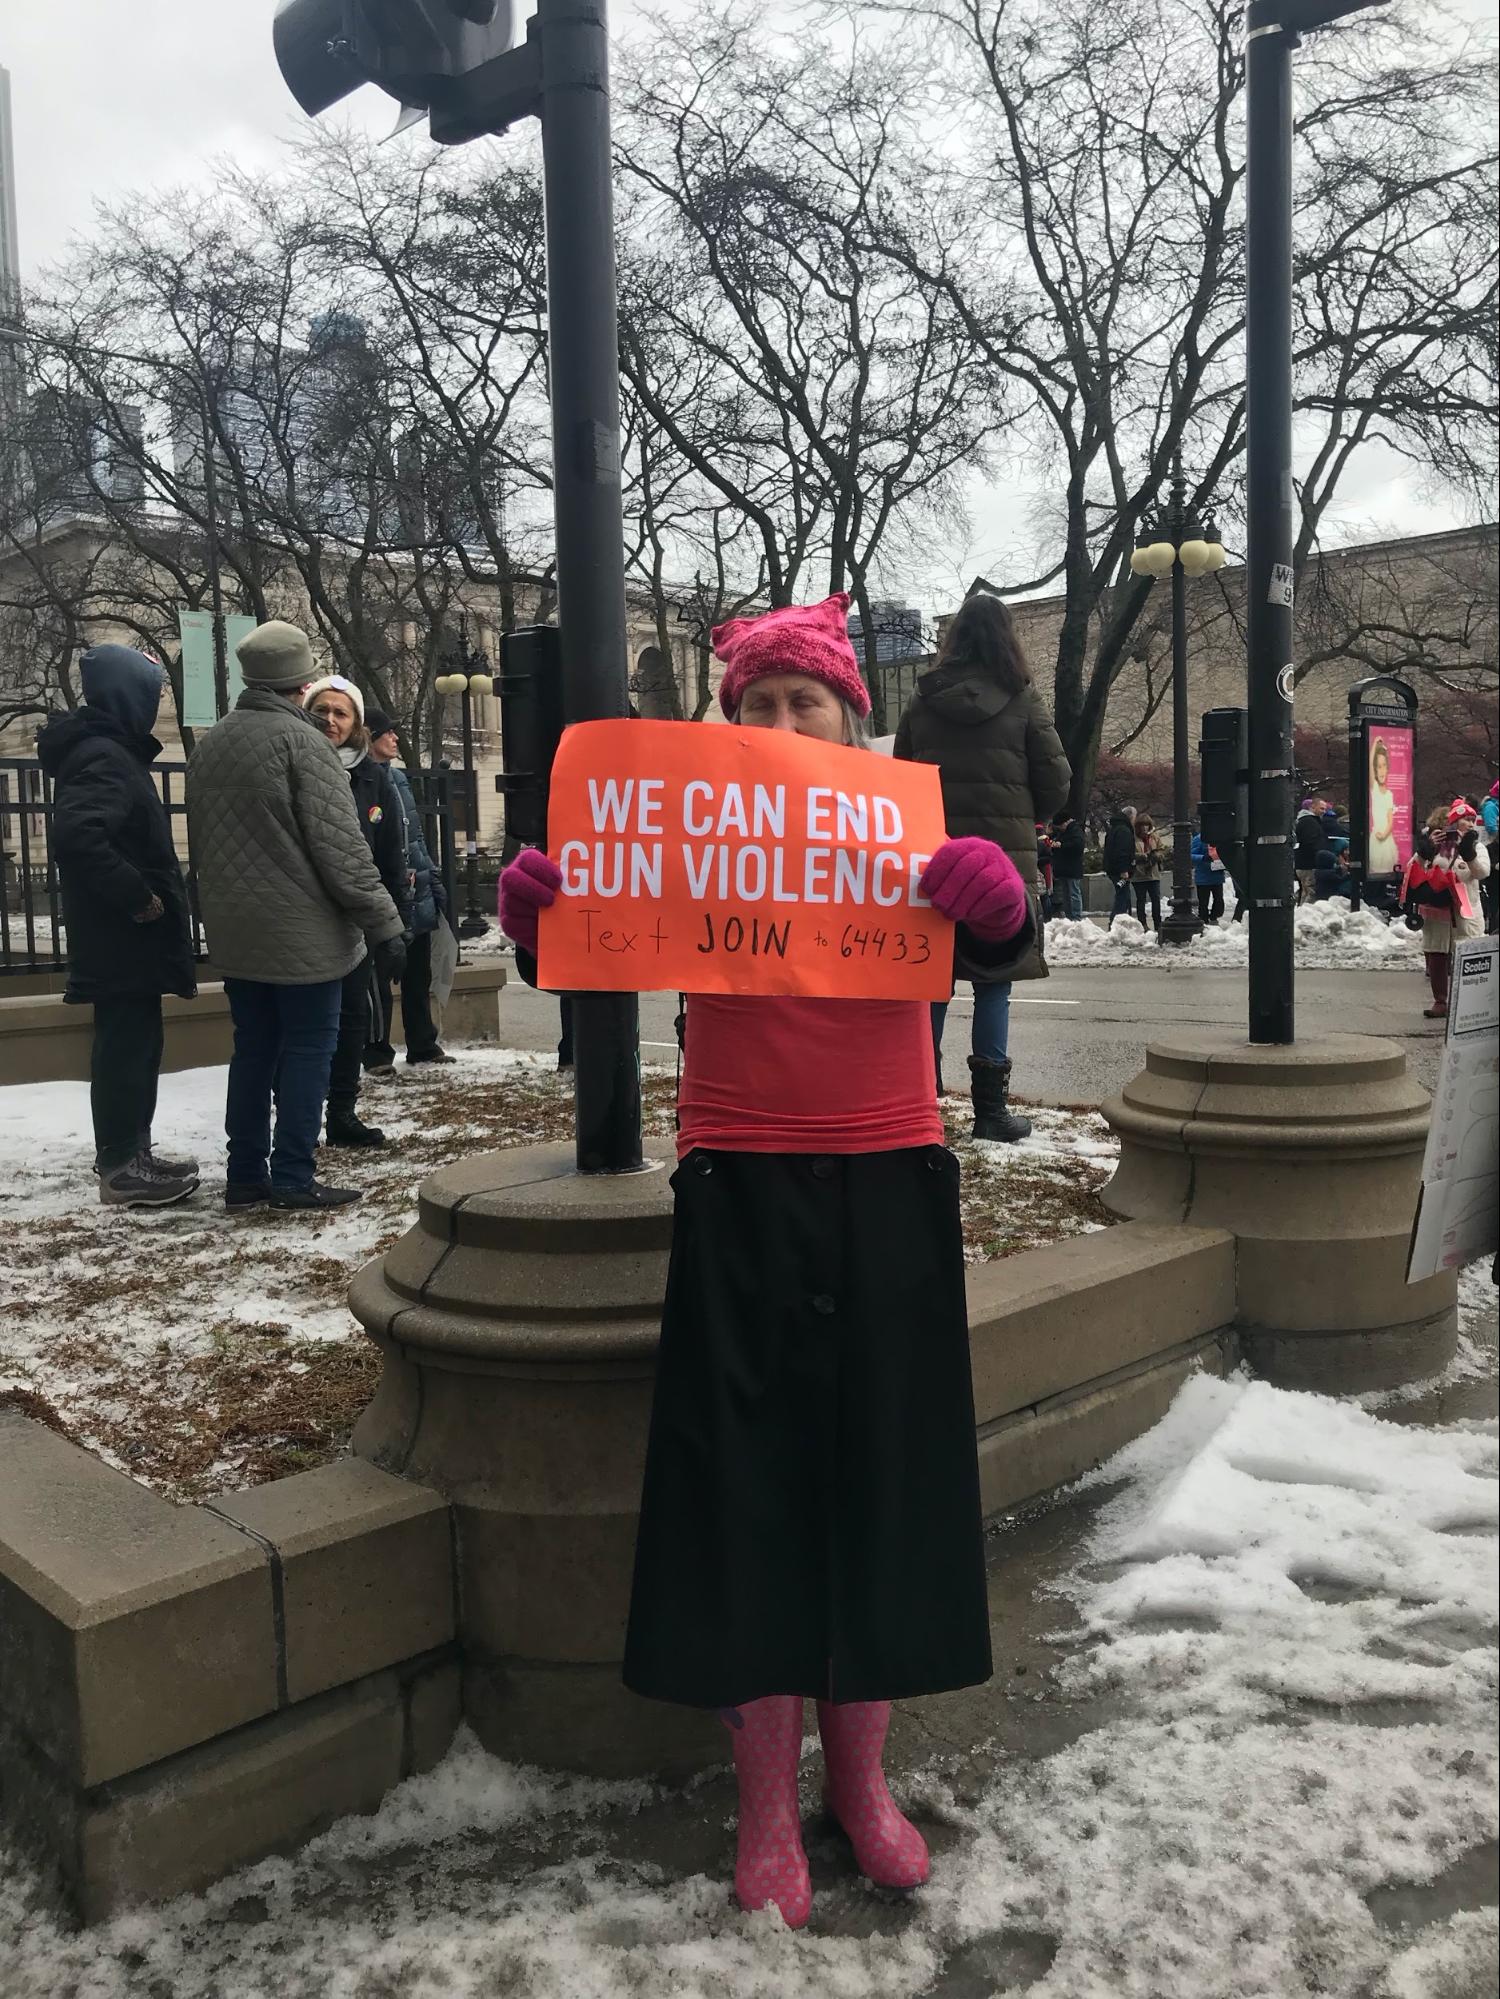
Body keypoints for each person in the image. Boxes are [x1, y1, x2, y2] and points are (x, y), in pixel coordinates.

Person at [497, 591, 1034, 1929]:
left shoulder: (903, 832)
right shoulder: (696, 834)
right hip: (741, 1172)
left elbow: (1003, 941)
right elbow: (592, 948)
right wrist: (536, 917)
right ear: (728, 724)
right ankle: (761, 1803)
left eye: (807, 702)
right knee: (755, 1487)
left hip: (891, 1166)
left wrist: (997, 901)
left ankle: (861, 1781)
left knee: (880, 1479)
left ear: (850, 718)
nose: (783, 723)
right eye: (759, 704)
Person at [186, 622, 404, 1210]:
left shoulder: (213, 744)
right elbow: (343, 851)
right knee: (310, 1049)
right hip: (304, 934)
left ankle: (245, 1178)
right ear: (302, 683)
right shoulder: (304, 744)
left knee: (253, 1049)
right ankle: (292, 1178)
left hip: (237, 932)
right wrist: (386, 923)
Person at [893, 591, 1070, 1142]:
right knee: (995, 987)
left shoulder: (922, 703)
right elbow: (1057, 783)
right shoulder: (1022, 700)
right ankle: (991, 1113)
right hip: (1004, 870)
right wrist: (1024, 815)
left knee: (931, 986)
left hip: (934, 865)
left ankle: (922, 1106)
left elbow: (897, 784)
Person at [38, 644, 199, 1208]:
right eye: (151, 695)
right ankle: (122, 1166)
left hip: (126, 941)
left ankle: (134, 1153)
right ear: (127, 697)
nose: (155, 707)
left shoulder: (110, 752)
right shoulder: (104, 755)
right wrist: (139, 898)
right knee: (126, 1050)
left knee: (136, 1045)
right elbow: (78, 837)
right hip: (122, 938)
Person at [302, 678, 413, 1146]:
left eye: (341, 713)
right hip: (306, 917)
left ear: (356, 723)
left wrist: (395, 926)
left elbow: (392, 856)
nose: (330, 719)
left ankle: (342, 1111)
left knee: (352, 1018)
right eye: (321, 710)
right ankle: (300, 1113)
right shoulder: (298, 763)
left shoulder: (375, 778)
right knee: (307, 1025)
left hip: (358, 920)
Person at [363, 710, 454, 1071]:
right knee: (380, 973)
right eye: (388, 733)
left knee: (419, 973)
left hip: (418, 890)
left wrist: (430, 875)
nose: (396, 739)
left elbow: (414, 836)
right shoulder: (359, 779)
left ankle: (423, 1044)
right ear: (369, 736)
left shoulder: (398, 778)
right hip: (387, 892)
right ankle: (376, 1051)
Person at [1400, 800, 1491, 1017]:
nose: (1470, 824)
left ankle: (1468, 1001)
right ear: (1452, 823)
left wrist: (1468, 854)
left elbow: (1482, 872)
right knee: (1437, 955)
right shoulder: (1436, 846)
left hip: (1465, 910)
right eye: (1464, 820)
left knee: (1466, 955)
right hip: (1436, 910)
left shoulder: (1477, 847)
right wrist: (1424, 851)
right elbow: (1412, 871)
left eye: (1472, 819)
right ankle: (1440, 1001)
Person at [1367, 742, 1400, 876]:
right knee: (1375, 870)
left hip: (1386, 838)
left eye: (1384, 766)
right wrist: (1374, 743)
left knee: (1387, 869)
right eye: (1378, 767)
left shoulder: (1389, 794)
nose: (1381, 771)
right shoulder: (1374, 788)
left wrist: (1385, 834)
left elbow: (1390, 820)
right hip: (1376, 837)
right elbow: (1369, 764)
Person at [1102, 806, 1137, 926]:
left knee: (1122, 895)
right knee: (1122, 897)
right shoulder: (1124, 831)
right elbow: (1122, 851)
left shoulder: (1114, 829)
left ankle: (1118, 921)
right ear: (1131, 817)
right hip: (1120, 869)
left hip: (1112, 868)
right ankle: (1117, 922)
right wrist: (1124, 869)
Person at [1050, 810, 1086, 920]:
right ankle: (1070, 916)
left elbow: (1078, 846)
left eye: (1060, 826)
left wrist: (1061, 845)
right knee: (1066, 894)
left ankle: (1076, 916)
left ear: (1065, 823)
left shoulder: (1075, 830)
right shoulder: (1067, 832)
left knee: (1073, 893)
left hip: (1071, 867)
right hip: (1065, 868)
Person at [1132, 813, 1163, 936]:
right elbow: (1130, 853)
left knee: (1156, 899)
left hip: (1153, 873)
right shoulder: (1133, 838)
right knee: (1141, 900)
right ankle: (1142, 924)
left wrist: (1156, 855)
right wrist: (1142, 856)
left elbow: (1161, 850)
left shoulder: (1154, 837)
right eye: (1142, 826)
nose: (1144, 828)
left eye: (1146, 825)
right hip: (1139, 874)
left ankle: (1158, 923)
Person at [1191, 823, 1226, 924]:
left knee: (1219, 901)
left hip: (1217, 875)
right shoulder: (1199, 839)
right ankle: (1204, 921)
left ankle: (1214, 917)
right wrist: (1203, 858)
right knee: (1203, 903)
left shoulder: (1221, 839)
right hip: (1203, 877)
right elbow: (1191, 855)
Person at [1294, 799, 1325, 904]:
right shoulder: (1310, 822)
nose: (1324, 811)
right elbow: (1311, 842)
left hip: (1302, 862)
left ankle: (1301, 912)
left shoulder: (1304, 821)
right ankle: (1306, 913)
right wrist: (1319, 855)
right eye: (1321, 808)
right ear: (1312, 807)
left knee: (1305, 891)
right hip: (1308, 863)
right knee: (1310, 892)